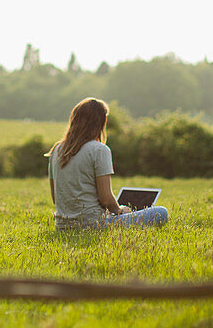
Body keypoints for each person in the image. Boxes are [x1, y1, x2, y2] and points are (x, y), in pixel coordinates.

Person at [47, 97, 169, 230]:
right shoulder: (99, 149)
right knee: (160, 212)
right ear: (101, 122)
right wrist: (120, 210)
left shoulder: (57, 150)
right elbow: (105, 199)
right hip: (94, 224)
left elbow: (56, 198)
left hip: (62, 226)